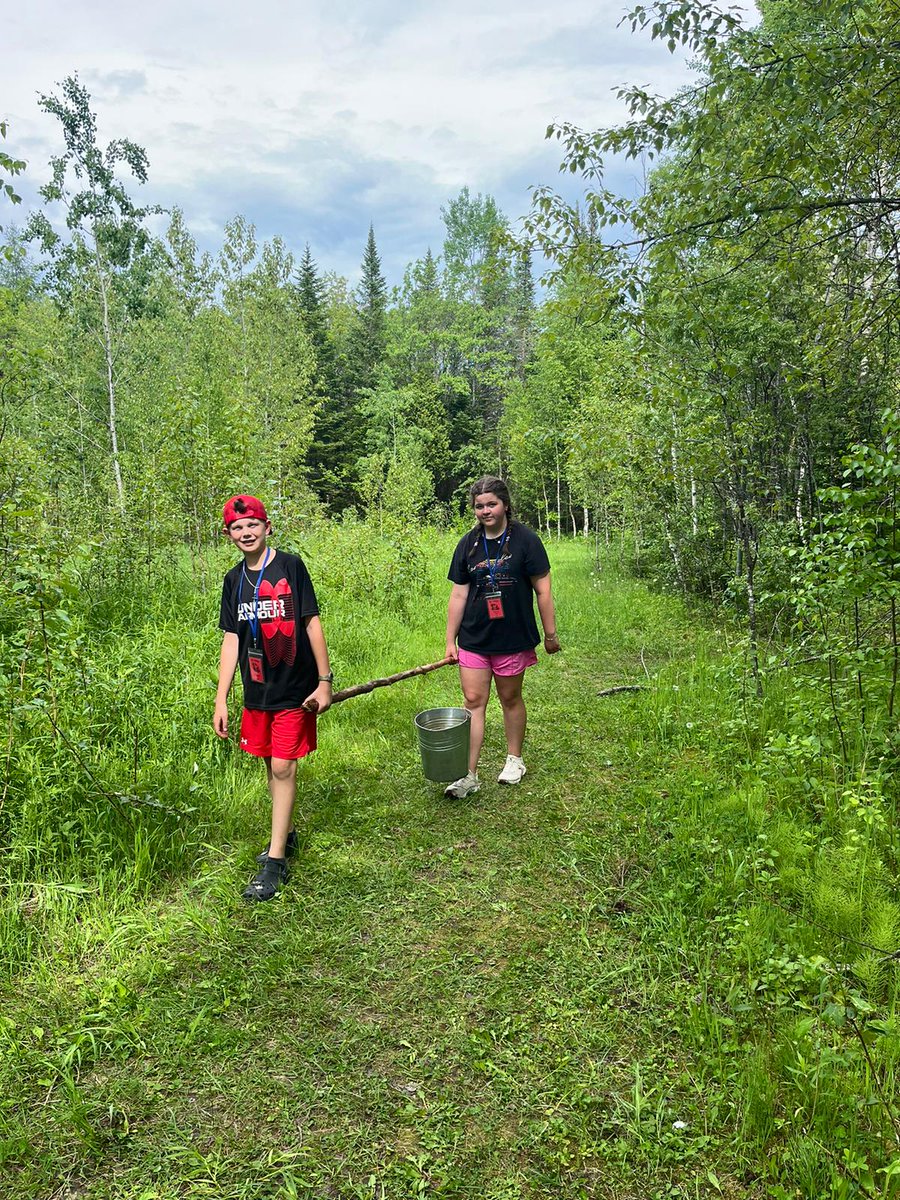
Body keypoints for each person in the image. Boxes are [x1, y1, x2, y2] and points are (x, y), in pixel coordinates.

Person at [214, 494, 333, 901]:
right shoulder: (234, 580)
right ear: (229, 534)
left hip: (296, 689)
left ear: (267, 527)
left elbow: (311, 622)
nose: (246, 533)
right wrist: (221, 698)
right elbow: (232, 638)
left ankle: (275, 861)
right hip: (257, 691)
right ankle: (287, 833)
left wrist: (325, 681)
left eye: (253, 525)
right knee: (271, 764)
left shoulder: (290, 566)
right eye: (237, 527)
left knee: (283, 766)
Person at [443, 475, 561, 798]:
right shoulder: (467, 544)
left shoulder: (526, 541)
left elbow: (543, 590)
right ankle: (468, 774)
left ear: (506, 505)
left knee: (509, 698)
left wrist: (550, 633)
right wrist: (450, 641)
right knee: (472, 702)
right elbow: (458, 595)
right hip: (474, 638)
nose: (485, 511)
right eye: (479, 506)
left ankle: (514, 759)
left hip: (512, 637)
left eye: (491, 504)